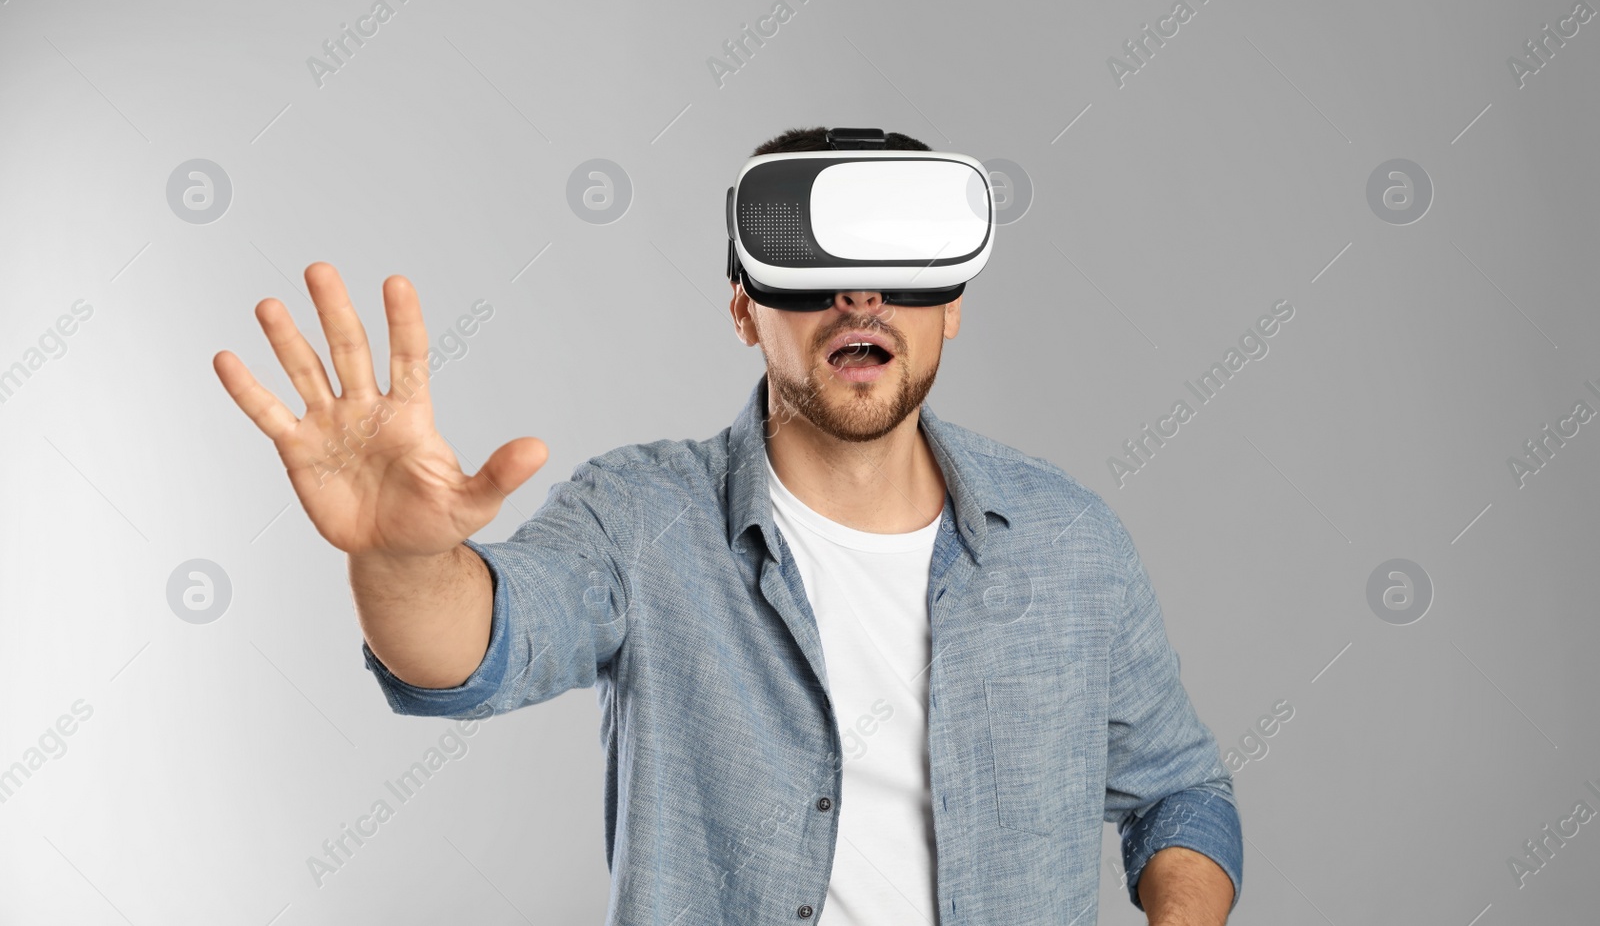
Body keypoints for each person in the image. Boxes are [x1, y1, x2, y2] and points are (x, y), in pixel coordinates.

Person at [213, 126, 1242, 925]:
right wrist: (398, 558)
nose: (857, 294)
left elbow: (1180, 790)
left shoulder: (1070, 541)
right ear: (745, 307)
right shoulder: (641, 517)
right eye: (805, 260)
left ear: (953, 305)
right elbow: (473, 649)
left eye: (896, 263)